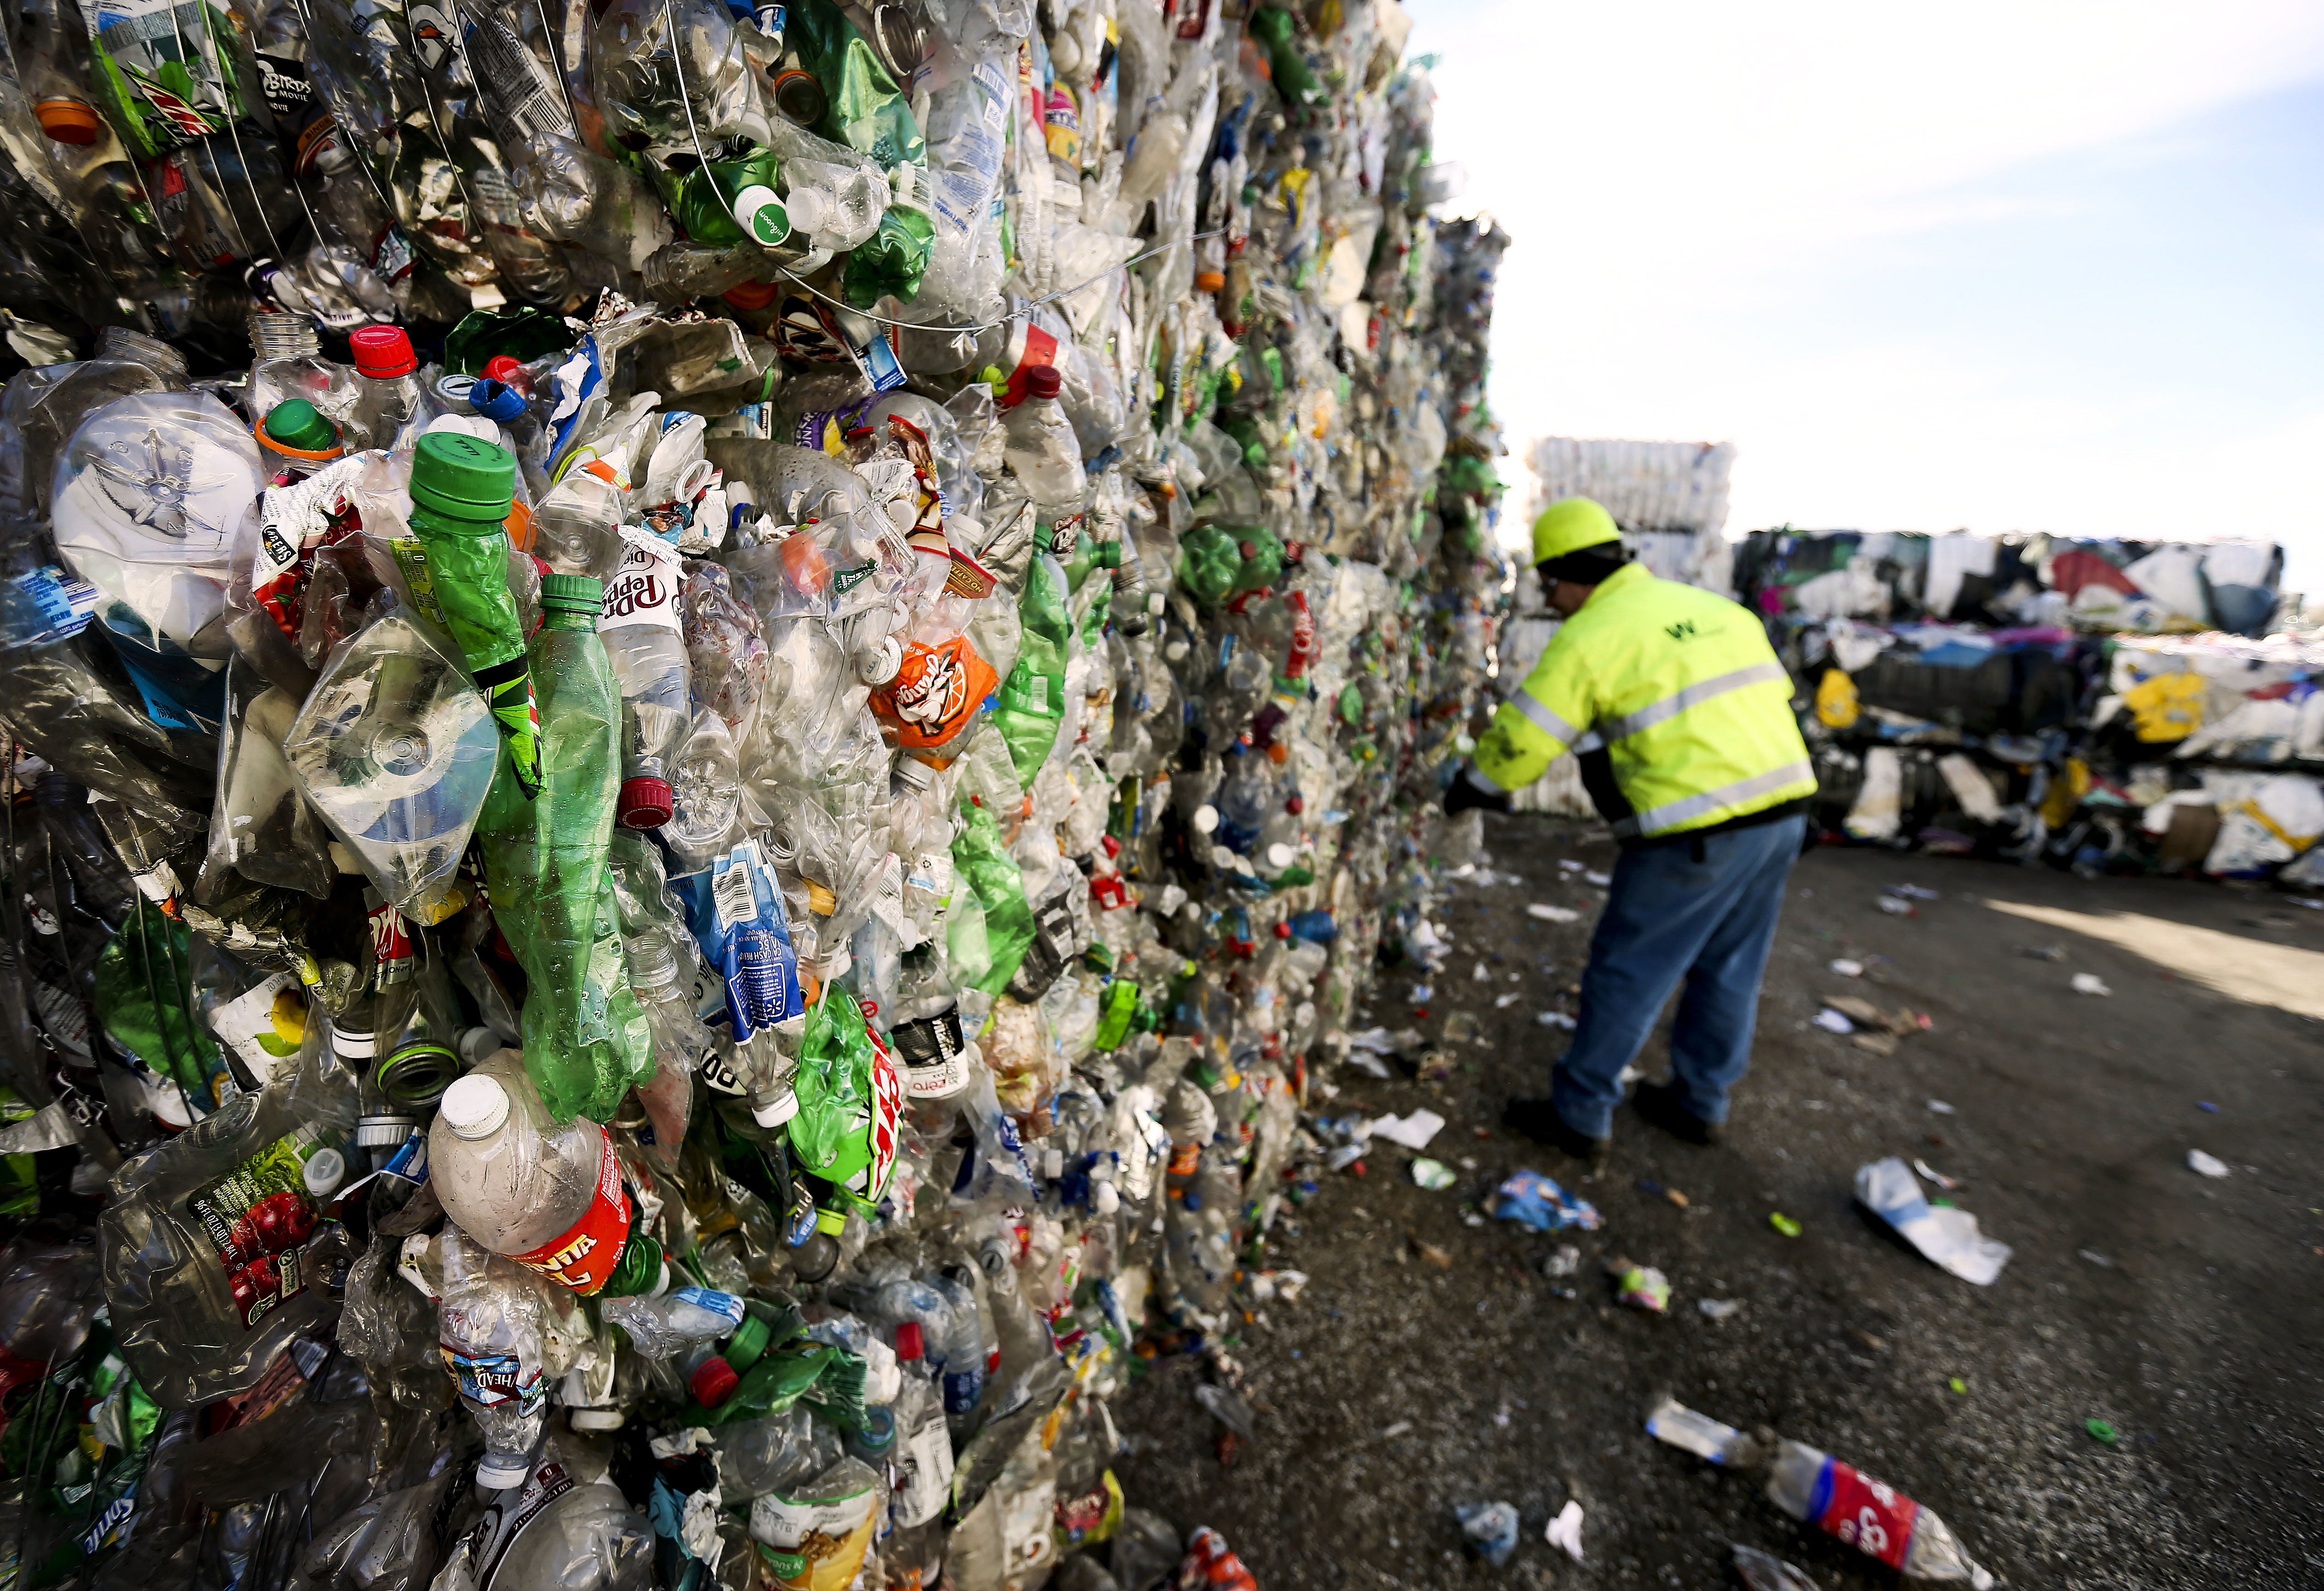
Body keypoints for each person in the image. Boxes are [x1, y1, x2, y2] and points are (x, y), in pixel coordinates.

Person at [1445, 497, 1815, 1159]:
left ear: (1565, 576)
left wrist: (1475, 786)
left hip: (1697, 832)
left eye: (1550, 586)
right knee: (1730, 967)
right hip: (1784, 814)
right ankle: (1701, 1101)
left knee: (1630, 971)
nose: (1551, 601)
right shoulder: (1718, 611)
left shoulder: (1592, 636)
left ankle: (1581, 1114)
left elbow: (1525, 740)